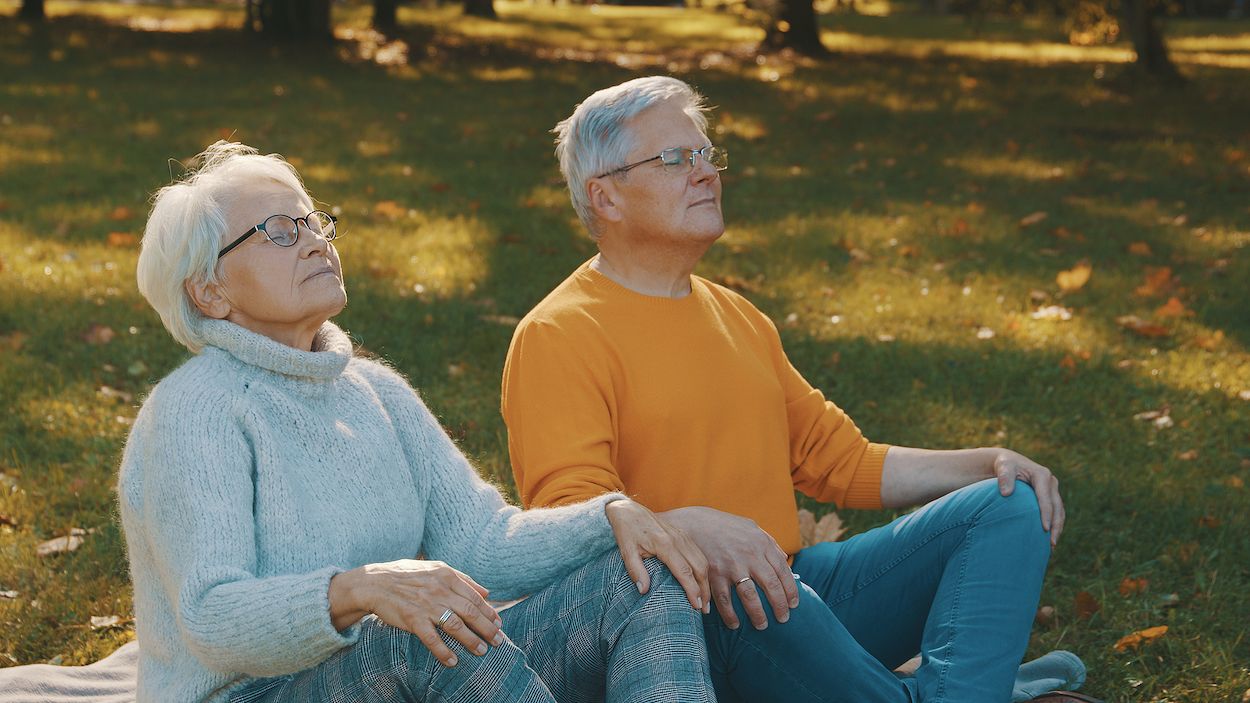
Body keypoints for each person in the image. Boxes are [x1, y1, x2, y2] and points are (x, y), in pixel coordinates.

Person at [501, 76, 1101, 703]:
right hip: (699, 618)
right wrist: (690, 528)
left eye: (706, 154)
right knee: (756, 593)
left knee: (1007, 506)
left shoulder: (737, 316)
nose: (705, 173)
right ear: (607, 198)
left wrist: (985, 463)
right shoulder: (560, 333)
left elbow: (838, 461)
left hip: (794, 589)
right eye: (675, 158)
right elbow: (567, 525)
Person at [115, 140, 717, 703]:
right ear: (209, 293)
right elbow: (212, 616)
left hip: (395, 664)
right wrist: (362, 589)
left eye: (313, 222)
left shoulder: (376, 392)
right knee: (432, 632)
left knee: (640, 577)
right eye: (277, 232)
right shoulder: (195, 410)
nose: (314, 242)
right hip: (245, 693)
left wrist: (610, 517)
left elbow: (481, 544)